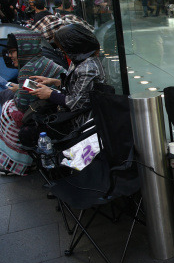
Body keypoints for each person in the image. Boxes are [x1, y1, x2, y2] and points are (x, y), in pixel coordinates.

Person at [0, 32, 66, 176]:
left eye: (12, 52)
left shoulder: (28, 69)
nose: (10, 56)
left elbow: (22, 105)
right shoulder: (42, 61)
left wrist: (18, 90)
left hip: (51, 113)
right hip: (56, 108)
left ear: (23, 51)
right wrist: (20, 88)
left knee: (8, 109)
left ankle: (16, 164)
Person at [29, 24, 106, 133]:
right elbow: (79, 87)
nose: (62, 52)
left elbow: (78, 102)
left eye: (63, 49)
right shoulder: (80, 60)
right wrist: (55, 82)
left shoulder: (88, 68)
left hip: (82, 122)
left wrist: (50, 94)